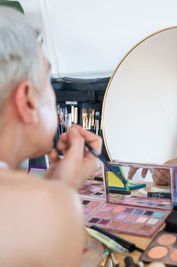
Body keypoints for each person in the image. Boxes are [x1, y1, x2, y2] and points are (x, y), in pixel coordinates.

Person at [0, 7, 102, 266]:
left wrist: (61, 187)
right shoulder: (48, 206)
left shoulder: (45, 202)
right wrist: (59, 199)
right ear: (27, 101)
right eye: (48, 78)